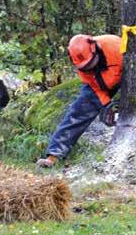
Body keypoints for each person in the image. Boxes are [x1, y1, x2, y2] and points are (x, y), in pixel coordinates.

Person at [37, 34, 123, 168]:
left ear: (94, 47)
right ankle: (54, 156)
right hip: (101, 84)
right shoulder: (81, 65)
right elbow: (94, 87)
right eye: (85, 67)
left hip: (125, 76)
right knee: (77, 112)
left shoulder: (115, 46)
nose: (89, 68)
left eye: (90, 63)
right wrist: (107, 105)